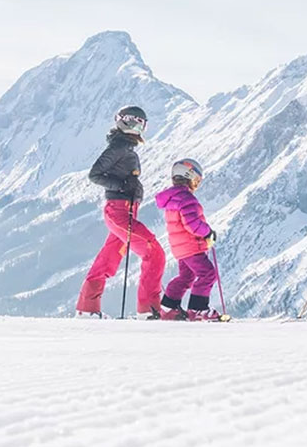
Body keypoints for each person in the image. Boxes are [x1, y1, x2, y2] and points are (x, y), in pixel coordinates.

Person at [77, 105, 166, 318]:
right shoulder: (118, 147)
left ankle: (87, 308)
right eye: (134, 121)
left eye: (142, 124)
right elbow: (95, 174)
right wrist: (122, 185)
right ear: (123, 121)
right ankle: (148, 309)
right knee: (154, 252)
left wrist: (127, 186)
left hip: (125, 210)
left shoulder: (125, 147)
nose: (138, 127)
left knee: (108, 259)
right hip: (119, 211)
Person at [153, 158, 222, 321]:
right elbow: (192, 223)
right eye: (197, 180)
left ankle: (168, 308)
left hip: (180, 248)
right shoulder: (186, 198)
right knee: (208, 274)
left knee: (186, 277)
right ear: (189, 176)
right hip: (192, 246)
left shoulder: (173, 198)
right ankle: (198, 310)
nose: (197, 184)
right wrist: (208, 233)